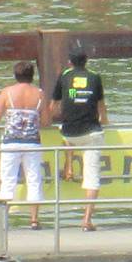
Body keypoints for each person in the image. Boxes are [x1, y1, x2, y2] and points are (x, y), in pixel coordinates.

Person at [0, 59, 48, 225]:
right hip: (32, 142)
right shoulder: (40, 94)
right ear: (32, 75)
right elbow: (45, 121)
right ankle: (34, 220)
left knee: (8, 180)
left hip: (11, 142)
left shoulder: (7, 92)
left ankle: (3, 220)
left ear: (16, 75)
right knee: (34, 179)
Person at [51, 50, 109, 230]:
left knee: (66, 138)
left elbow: (54, 104)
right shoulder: (95, 76)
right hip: (91, 132)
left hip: (69, 131)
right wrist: (105, 121)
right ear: (86, 61)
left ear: (70, 62)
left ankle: (68, 165)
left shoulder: (64, 76)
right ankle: (86, 220)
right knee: (92, 177)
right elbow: (101, 105)